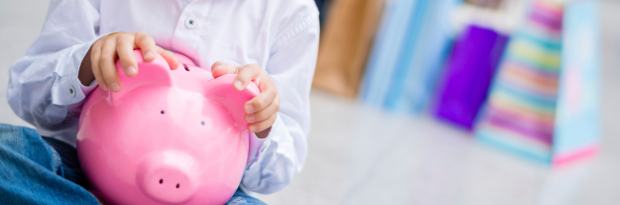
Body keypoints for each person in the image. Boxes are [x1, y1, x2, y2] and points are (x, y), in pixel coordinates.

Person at [2, 0, 319, 204]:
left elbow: (278, 172)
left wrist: (261, 122)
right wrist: (87, 63)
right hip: (79, 174)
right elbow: (25, 93)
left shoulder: (294, 14)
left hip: (208, 196)